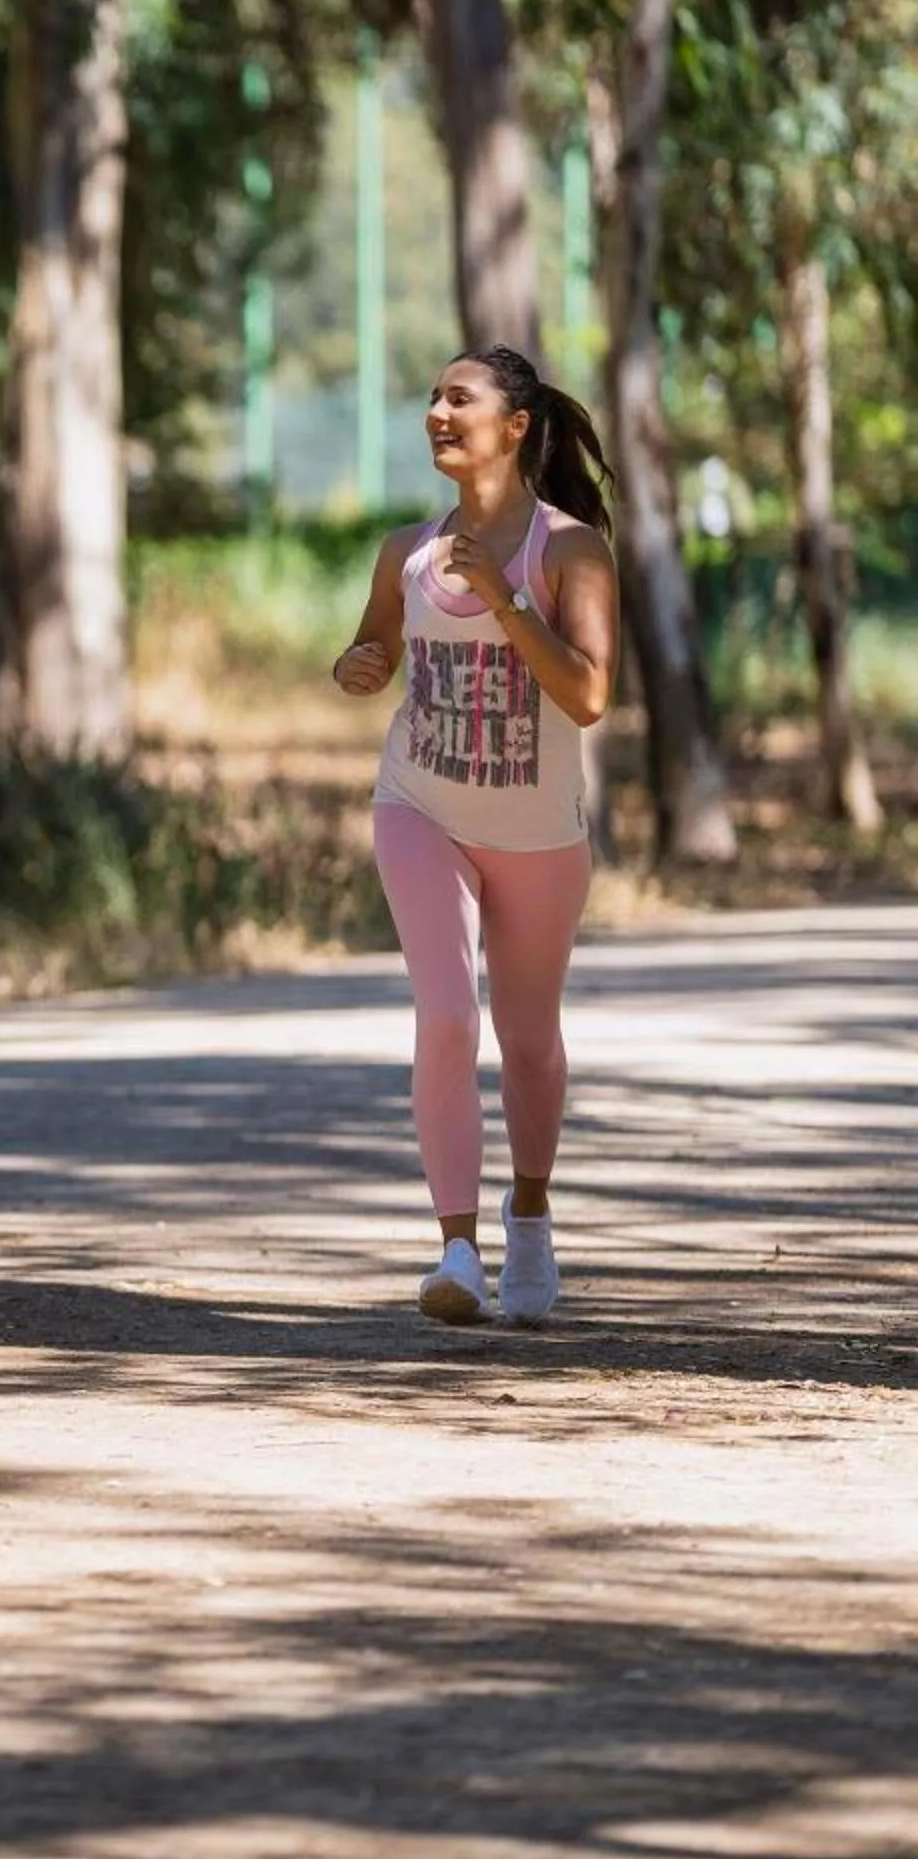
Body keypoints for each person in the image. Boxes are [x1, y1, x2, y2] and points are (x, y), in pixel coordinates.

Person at [332, 344, 620, 1325]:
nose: (437, 413)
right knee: (447, 1012)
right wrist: (360, 665)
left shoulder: (570, 551)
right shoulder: (405, 550)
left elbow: (587, 696)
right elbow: (374, 643)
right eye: (431, 398)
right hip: (422, 807)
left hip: (538, 833)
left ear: (517, 424)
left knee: (528, 1038)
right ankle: (456, 1248)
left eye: (460, 398)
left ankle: (528, 1218)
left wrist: (503, 596)